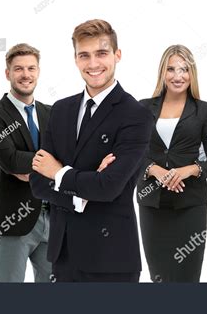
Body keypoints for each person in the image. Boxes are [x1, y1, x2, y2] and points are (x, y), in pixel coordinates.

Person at [29, 19, 153, 282]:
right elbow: (39, 182)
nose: (93, 64)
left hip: (111, 258)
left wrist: (59, 173)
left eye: (102, 53)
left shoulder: (136, 115)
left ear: (117, 55)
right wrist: (81, 195)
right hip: (63, 256)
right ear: (75, 59)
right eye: (84, 55)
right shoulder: (60, 110)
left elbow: (109, 187)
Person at [137, 45, 207, 282]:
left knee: (187, 278)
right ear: (162, 73)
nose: (178, 76)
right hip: (152, 204)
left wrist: (190, 169)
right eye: (171, 69)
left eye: (184, 69)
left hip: (190, 206)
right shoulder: (143, 107)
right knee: (160, 277)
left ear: (192, 73)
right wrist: (154, 170)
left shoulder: (203, 110)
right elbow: (129, 153)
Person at [0, 43, 52, 282]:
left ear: (39, 71)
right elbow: (10, 160)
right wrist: (50, 166)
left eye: (31, 68)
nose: (26, 74)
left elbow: (68, 158)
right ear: (7, 73)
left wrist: (36, 168)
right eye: (19, 68)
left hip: (53, 217)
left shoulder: (51, 113)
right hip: (14, 218)